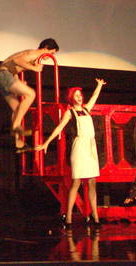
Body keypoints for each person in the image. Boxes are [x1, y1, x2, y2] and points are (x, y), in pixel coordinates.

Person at [36, 79, 106, 227]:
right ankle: (68, 217)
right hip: (79, 147)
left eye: (80, 94)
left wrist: (99, 86)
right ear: (71, 98)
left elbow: (94, 97)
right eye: (76, 95)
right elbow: (59, 128)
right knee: (76, 182)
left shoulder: (86, 109)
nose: (79, 97)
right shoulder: (70, 112)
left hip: (90, 147)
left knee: (92, 182)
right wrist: (47, 142)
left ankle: (95, 217)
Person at [0, 38, 59, 152]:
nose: (49, 57)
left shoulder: (30, 54)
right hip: (4, 75)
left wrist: (17, 81)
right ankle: (16, 126)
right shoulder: (35, 53)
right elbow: (17, 61)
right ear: (45, 48)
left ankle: (19, 144)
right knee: (31, 94)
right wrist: (34, 68)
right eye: (51, 53)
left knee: (18, 109)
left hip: (1, 76)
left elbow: (12, 66)